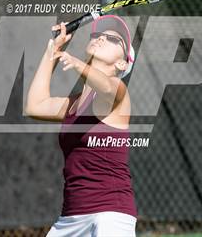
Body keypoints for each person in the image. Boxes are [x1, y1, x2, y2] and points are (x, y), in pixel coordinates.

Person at [25, 15, 137, 237]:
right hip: (71, 218)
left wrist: (77, 63)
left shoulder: (119, 93)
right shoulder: (74, 103)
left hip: (110, 214)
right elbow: (34, 106)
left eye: (113, 39)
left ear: (122, 64)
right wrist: (53, 51)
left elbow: (106, 87)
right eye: (98, 34)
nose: (101, 38)